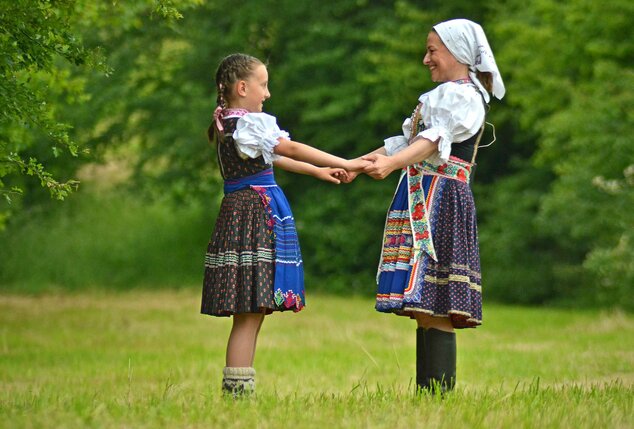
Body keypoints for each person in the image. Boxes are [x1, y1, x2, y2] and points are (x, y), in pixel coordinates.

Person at [201, 53, 366, 397]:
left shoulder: (231, 123)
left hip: (240, 211)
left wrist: (319, 171)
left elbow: (274, 157)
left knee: (252, 312)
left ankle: (238, 393)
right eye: (263, 84)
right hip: (254, 214)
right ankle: (237, 397)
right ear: (242, 87)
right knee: (248, 312)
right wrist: (346, 161)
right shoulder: (249, 123)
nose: (267, 93)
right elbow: (288, 147)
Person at [361, 19, 505, 393]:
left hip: (442, 198)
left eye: (432, 50)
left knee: (437, 302)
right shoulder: (439, 96)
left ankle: (438, 396)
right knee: (423, 305)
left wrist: (393, 164)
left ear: (458, 53)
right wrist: (353, 165)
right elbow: (404, 141)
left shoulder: (465, 97)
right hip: (420, 194)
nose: (426, 59)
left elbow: (433, 139)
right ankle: (429, 395)